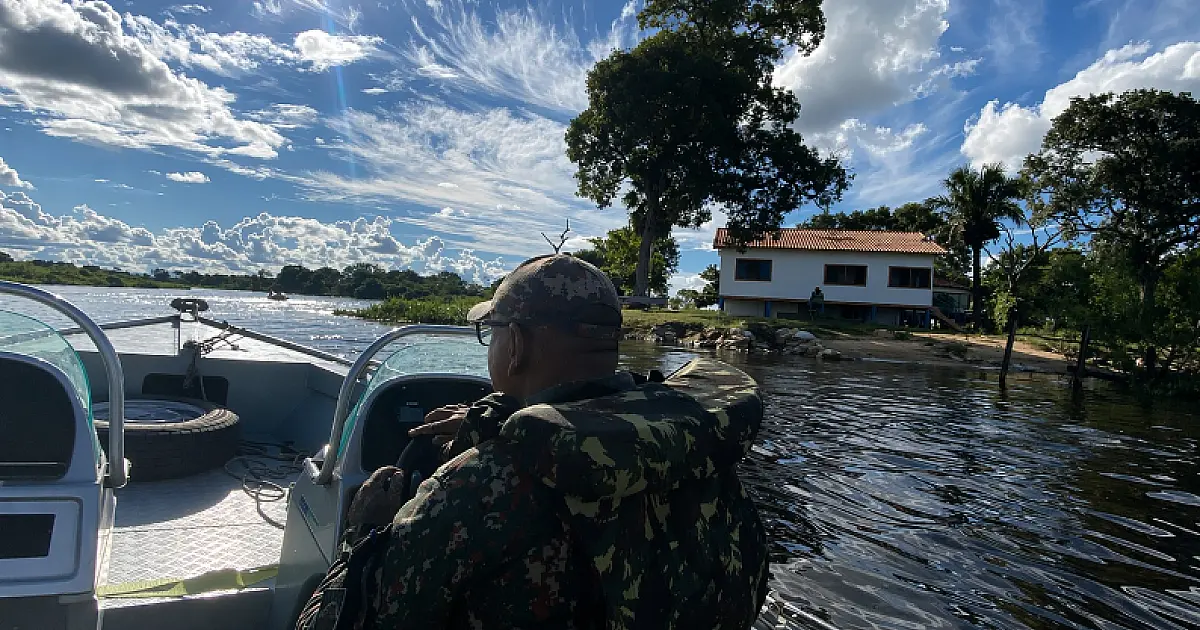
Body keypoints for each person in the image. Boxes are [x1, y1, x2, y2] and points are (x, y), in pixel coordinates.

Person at [313, 254, 769, 629]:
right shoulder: (700, 453)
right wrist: (500, 423)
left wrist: (364, 534)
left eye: (490, 333)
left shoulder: (477, 488)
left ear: (515, 344)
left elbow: (331, 624)